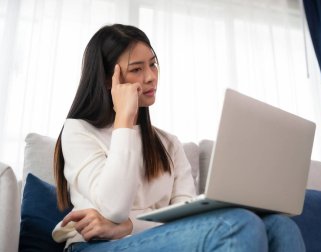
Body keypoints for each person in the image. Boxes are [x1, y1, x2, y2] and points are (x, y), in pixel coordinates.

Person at [52, 24, 305, 252]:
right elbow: (114, 207)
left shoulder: (168, 143)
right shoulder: (78, 131)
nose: (151, 76)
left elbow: (186, 224)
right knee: (237, 225)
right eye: (137, 69)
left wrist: (129, 226)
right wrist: (124, 119)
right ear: (110, 80)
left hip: (148, 239)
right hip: (96, 246)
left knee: (281, 226)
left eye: (152, 64)